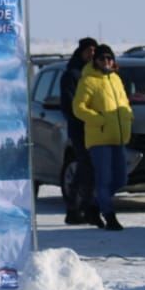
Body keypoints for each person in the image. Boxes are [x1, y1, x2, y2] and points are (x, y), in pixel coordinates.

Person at [72, 44, 133, 230]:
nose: (106, 62)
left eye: (109, 58)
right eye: (102, 58)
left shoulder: (115, 79)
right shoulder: (88, 81)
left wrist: (128, 115)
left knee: (121, 179)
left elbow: (124, 102)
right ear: (95, 61)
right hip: (99, 138)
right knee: (104, 179)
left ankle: (94, 206)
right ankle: (109, 216)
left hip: (118, 137)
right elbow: (78, 107)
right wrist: (98, 120)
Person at [60, 37, 98, 225]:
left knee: (90, 170)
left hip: (97, 129)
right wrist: (84, 118)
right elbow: (69, 104)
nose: (91, 54)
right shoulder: (72, 74)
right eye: (88, 51)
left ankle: (86, 207)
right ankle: (74, 208)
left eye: (94, 51)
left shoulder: (93, 73)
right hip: (80, 129)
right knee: (84, 167)